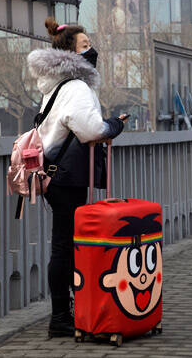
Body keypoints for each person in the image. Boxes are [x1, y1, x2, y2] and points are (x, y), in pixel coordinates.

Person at [27, 18, 126, 338]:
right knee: (65, 248)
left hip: (55, 175)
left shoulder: (56, 86)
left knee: (64, 245)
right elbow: (92, 130)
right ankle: (60, 317)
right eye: (84, 46)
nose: (92, 50)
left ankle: (67, 311)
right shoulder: (77, 87)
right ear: (70, 55)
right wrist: (115, 125)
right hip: (67, 177)